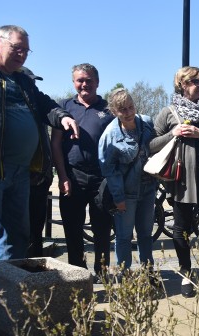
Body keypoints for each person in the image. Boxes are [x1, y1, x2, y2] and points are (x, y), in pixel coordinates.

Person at [0, 25, 79, 260]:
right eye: (17, 48)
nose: (22, 54)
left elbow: (45, 104)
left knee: (17, 236)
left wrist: (64, 117)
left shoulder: (23, 81)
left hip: (22, 171)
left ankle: (8, 293)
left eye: (27, 51)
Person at [151, 66, 199, 297]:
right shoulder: (168, 112)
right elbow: (151, 145)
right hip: (182, 181)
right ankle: (186, 273)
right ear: (183, 84)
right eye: (196, 82)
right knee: (181, 229)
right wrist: (173, 134)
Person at [51, 63, 114, 278]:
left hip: (101, 178)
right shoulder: (64, 108)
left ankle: (103, 272)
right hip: (72, 176)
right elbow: (56, 144)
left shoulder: (108, 109)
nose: (84, 84)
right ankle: (77, 273)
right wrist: (62, 176)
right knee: (72, 228)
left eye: (88, 80)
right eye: (80, 80)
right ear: (74, 82)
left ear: (97, 82)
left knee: (102, 229)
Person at [98, 89, 156, 270]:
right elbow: (109, 169)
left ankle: (148, 272)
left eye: (131, 107)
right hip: (126, 192)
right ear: (114, 112)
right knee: (124, 236)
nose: (129, 112)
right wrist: (119, 198)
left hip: (148, 188)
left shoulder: (146, 123)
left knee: (146, 234)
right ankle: (125, 276)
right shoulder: (110, 135)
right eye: (123, 109)